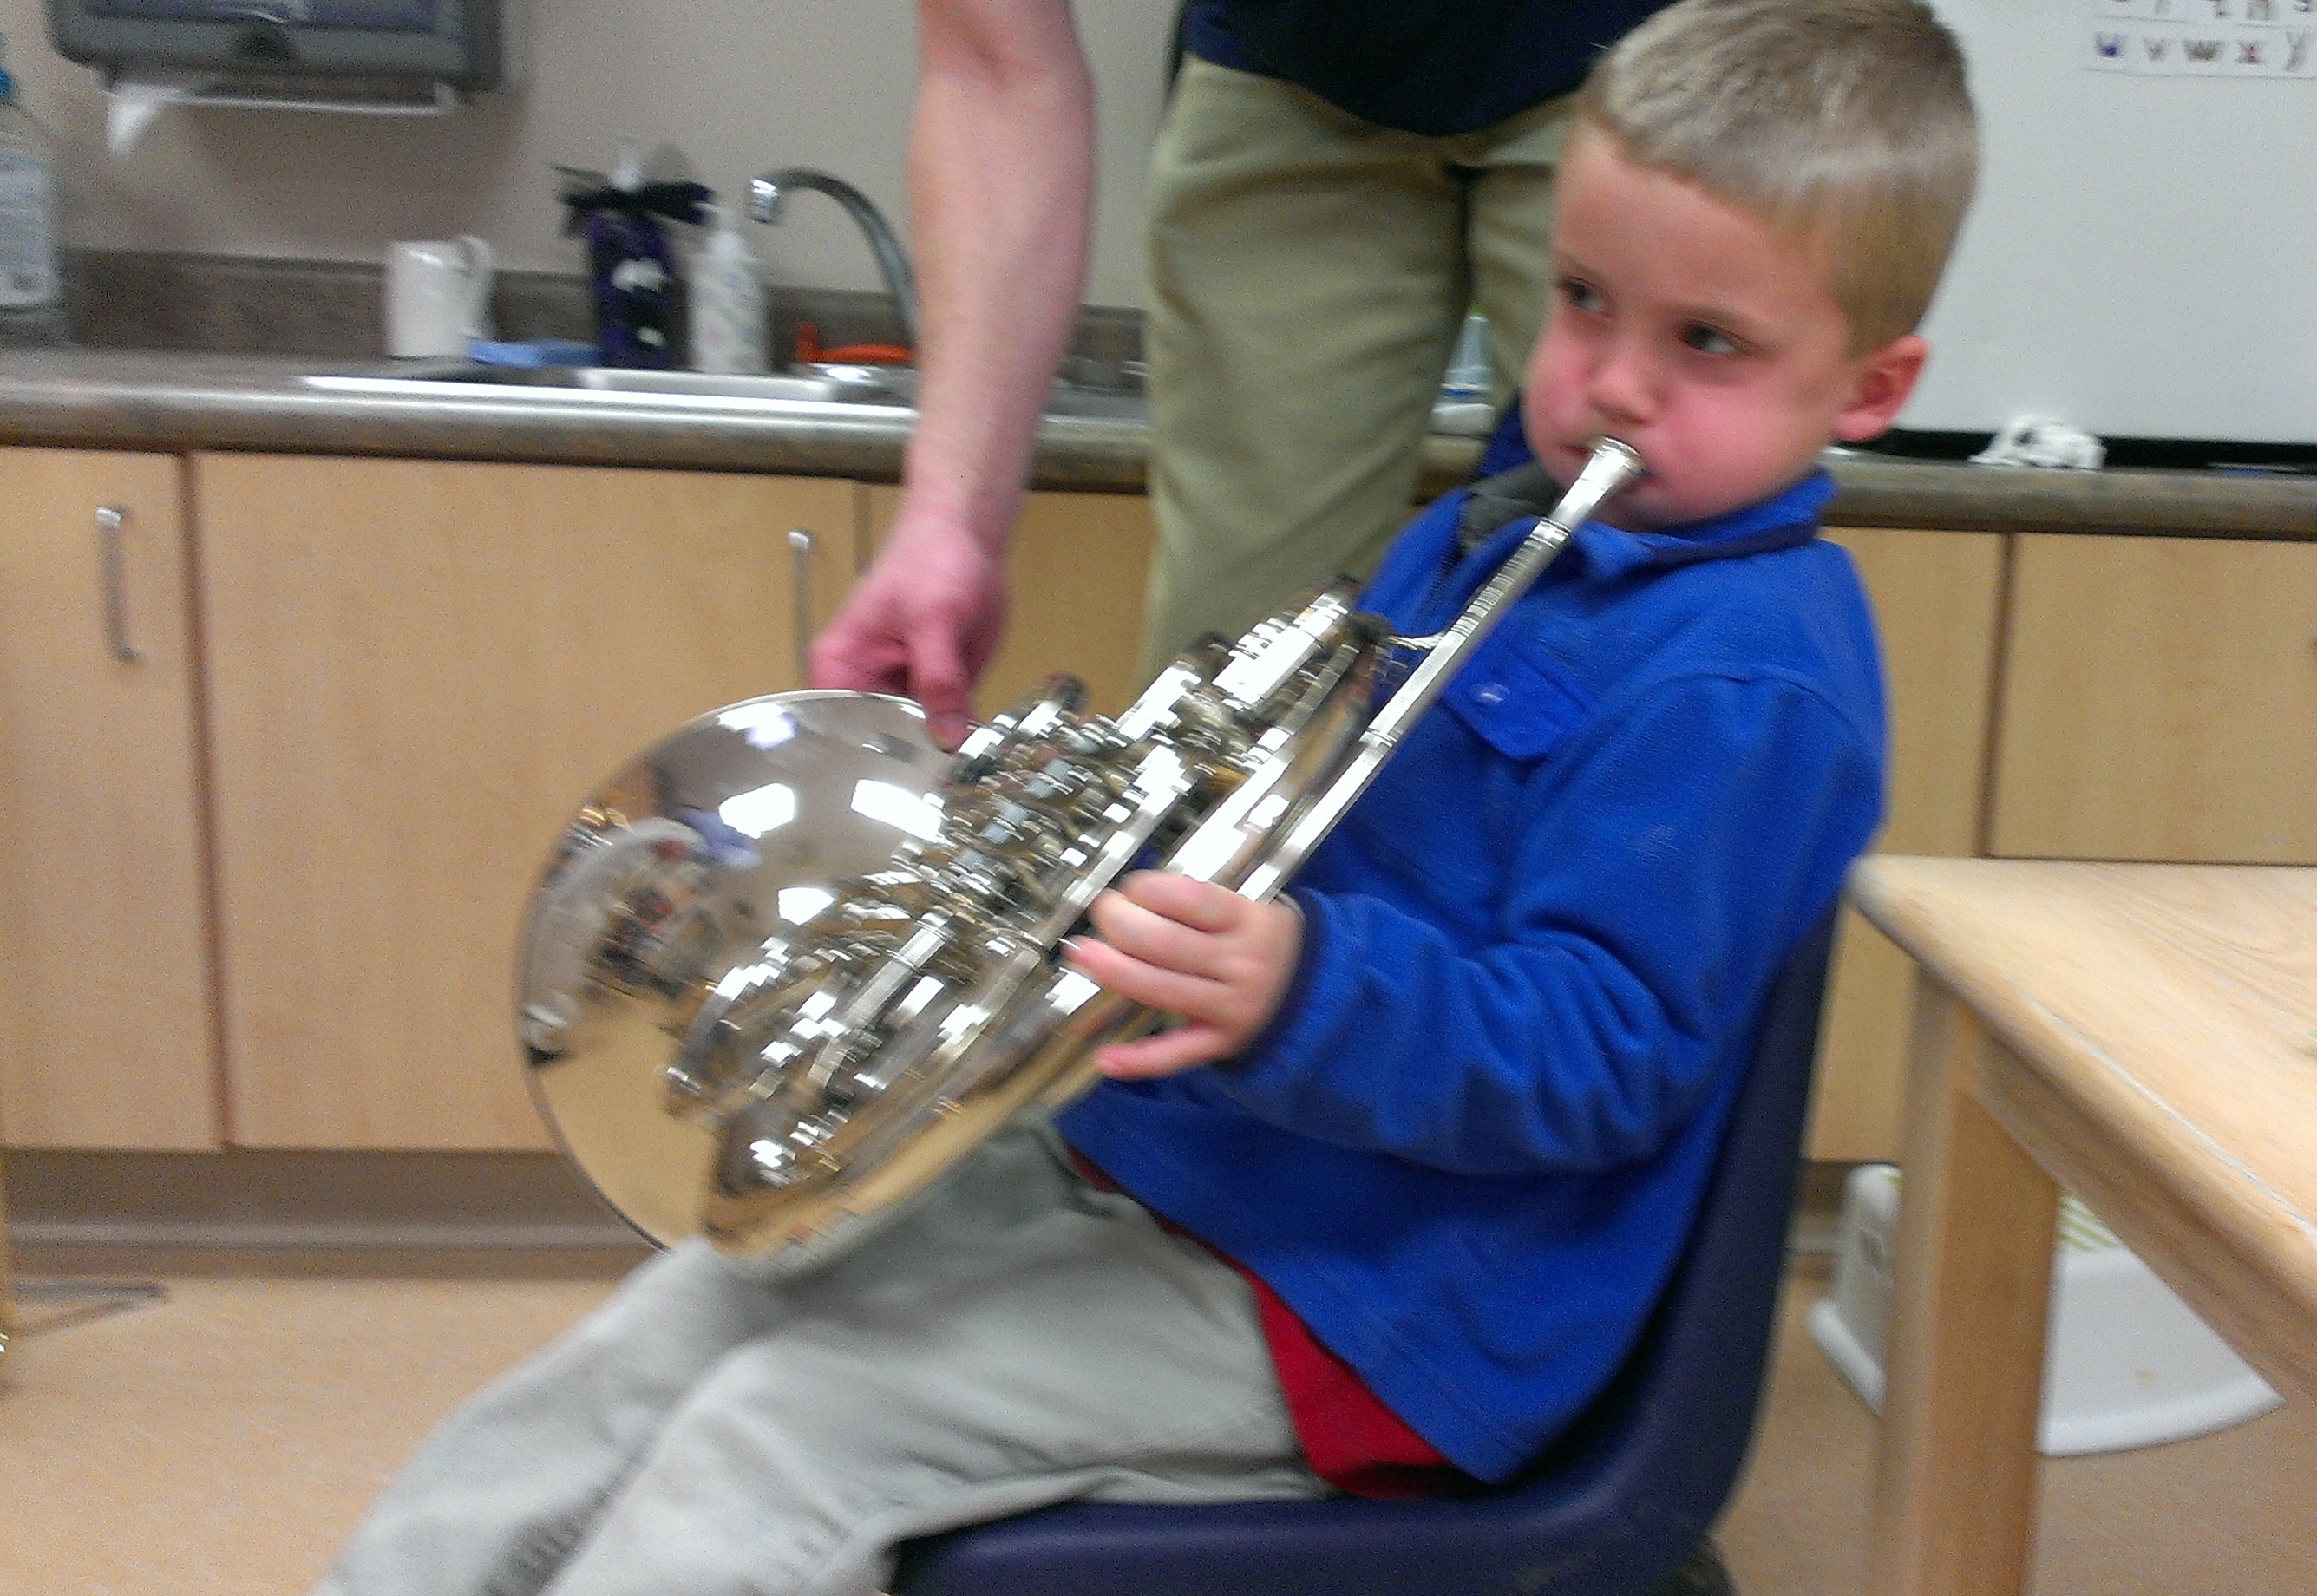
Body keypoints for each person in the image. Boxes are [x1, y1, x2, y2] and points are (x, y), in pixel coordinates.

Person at [307, 3, 1977, 1593]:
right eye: (1583, 302)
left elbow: (1604, 1050)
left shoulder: (1747, 683)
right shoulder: (1486, 534)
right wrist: (1093, 834)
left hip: (1379, 1312)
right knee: (697, 1306)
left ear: (1865, 390)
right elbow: (1297, 803)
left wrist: (1303, 987)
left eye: (1703, 343)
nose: (1610, 384)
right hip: (1193, 1170)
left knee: (783, 1430)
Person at [808, 0, 1679, 736]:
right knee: (1219, 707)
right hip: (1287, 59)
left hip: (1656, 53)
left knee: (1650, 648)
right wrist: (952, 518)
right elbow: (991, 67)